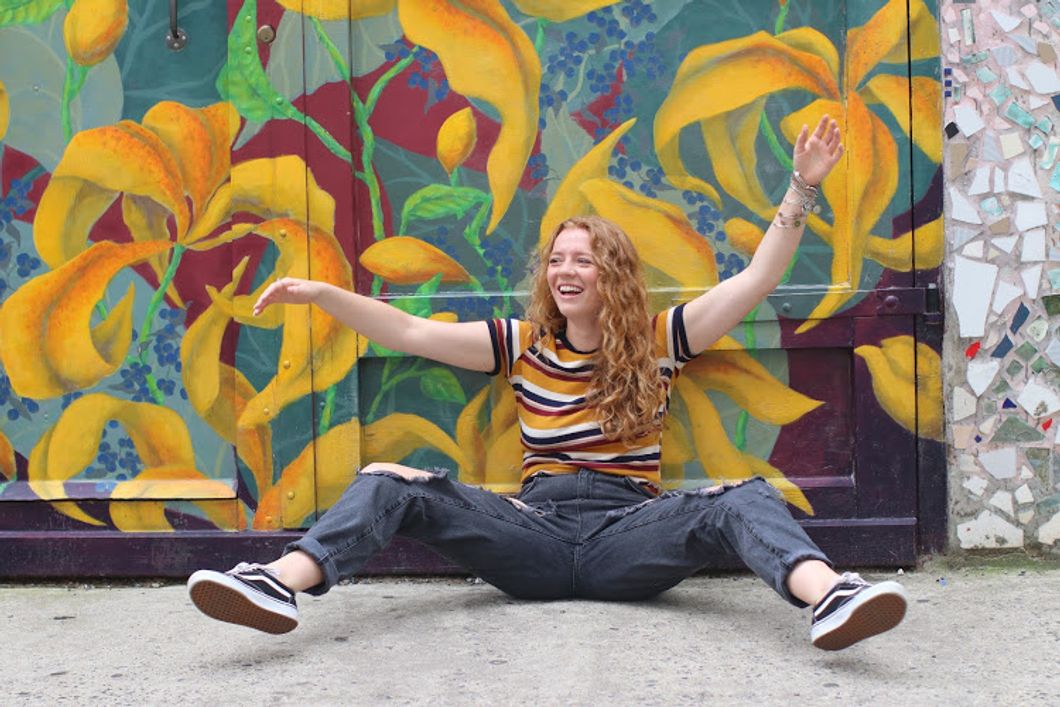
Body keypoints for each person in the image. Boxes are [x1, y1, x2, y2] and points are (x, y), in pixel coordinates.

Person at [188, 115, 907, 650]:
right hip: (531, 535)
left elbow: (758, 278)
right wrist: (321, 294)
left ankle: (828, 595)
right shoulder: (521, 344)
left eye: (583, 261)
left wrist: (801, 186)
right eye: (557, 260)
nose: (565, 271)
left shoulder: (663, 340)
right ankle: (278, 581)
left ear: (614, 275)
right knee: (390, 479)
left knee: (742, 495)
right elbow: (410, 332)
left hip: (630, 536)